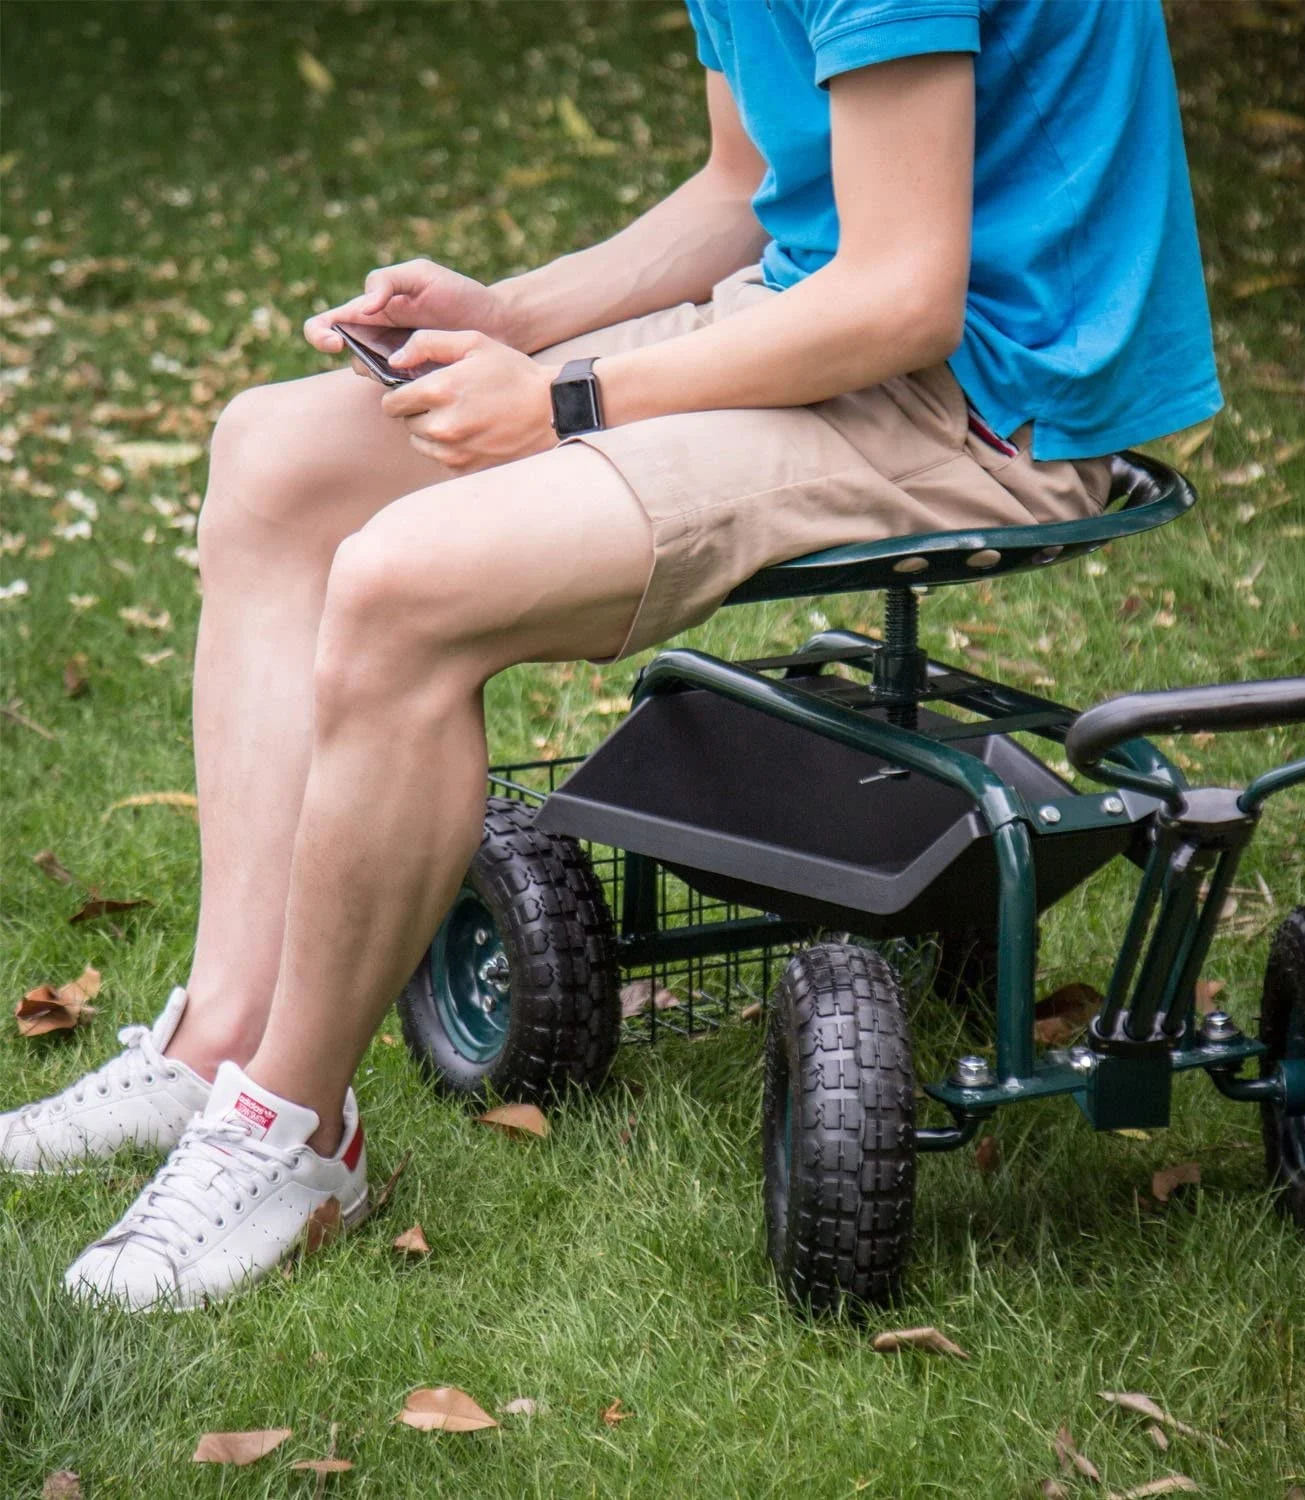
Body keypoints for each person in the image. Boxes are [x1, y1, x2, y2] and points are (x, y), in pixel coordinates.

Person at [1, 0, 1220, 1309]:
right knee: (275, 458)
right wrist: (512, 313)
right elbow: (745, 184)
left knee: (406, 582)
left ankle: (291, 1132)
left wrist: (561, 401)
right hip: (810, 321)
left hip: (984, 403)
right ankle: (220, 1038)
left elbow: (902, 300)